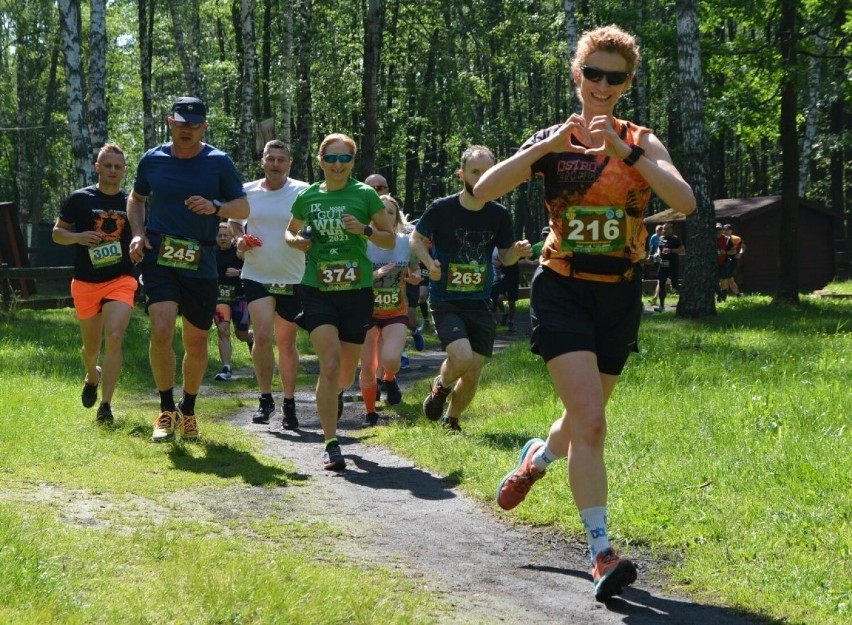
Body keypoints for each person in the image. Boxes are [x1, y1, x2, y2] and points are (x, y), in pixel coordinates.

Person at [474, 25, 695, 601]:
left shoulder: (641, 139)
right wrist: (544, 148)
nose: (601, 84)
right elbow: (483, 192)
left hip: (618, 291)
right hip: (562, 288)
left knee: (580, 421)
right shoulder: (551, 138)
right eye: (591, 73)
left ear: (626, 84)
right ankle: (601, 551)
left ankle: (539, 458)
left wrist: (627, 152)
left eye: (613, 77)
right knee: (593, 422)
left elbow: (684, 201)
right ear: (578, 76)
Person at [128, 96, 249, 442]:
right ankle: (166, 411)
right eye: (181, 123)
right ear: (170, 122)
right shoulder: (152, 159)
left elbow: (241, 205)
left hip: (202, 259)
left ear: (204, 127)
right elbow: (136, 198)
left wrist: (215, 207)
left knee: (196, 342)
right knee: (162, 330)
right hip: (160, 255)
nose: (187, 130)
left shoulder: (218, 162)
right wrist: (137, 235)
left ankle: (189, 409)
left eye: (195, 125)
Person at [284, 133, 395, 470]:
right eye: (330, 159)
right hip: (316, 288)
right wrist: (298, 243)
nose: (337, 165)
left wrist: (363, 230)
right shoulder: (307, 197)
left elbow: (389, 240)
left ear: (352, 162)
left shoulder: (364, 195)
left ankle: (335, 395)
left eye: (344, 159)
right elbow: (290, 233)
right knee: (329, 364)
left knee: (344, 374)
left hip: (355, 291)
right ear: (320, 161)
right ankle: (332, 443)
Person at [411, 145, 531, 432]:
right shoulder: (443, 208)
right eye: (475, 172)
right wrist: (429, 263)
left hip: (480, 301)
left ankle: (451, 420)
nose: (482, 177)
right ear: (462, 174)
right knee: (462, 357)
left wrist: (518, 252)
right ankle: (440, 387)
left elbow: (505, 257)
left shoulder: (499, 214)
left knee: (474, 370)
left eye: (488, 171)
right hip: (446, 299)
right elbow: (416, 237)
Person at [52, 143, 136, 425]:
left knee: (114, 336)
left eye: (118, 166)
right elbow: (57, 234)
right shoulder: (80, 199)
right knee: (91, 349)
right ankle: (92, 375)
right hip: (86, 281)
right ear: (97, 167)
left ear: (124, 170)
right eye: (107, 165)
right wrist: (77, 237)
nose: (113, 171)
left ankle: (106, 405)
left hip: (121, 279)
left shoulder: (132, 203)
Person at [229, 139, 309, 430]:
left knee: (286, 342)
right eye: (270, 158)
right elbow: (235, 222)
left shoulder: (303, 191)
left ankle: (289, 403)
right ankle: (265, 399)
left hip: (292, 276)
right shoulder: (247, 192)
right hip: (256, 274)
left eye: (281, 159)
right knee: (261, 336)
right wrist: (239, 238)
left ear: (289, 163)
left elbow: (312, 224)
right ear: (262, 161)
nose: (275, 164)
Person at [358, 194, 421, 426]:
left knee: (391, 359)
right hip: (366, 312)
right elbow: (352, 275)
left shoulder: (406, 243)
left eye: (390, 213)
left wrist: (414, 277)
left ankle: (389, 377)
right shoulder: (361, 243)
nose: (384, 216)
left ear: (396, 219)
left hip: (395, 312)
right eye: (379, 212)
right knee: (368, 366)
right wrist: (375, 275)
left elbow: (415, 269)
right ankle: (370, 412)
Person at [366, 173, 426, 354]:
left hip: (398, 294)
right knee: (371, 356)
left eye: (382, 187)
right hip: (366, 305)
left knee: (409, 317)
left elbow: (415, 265)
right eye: (373, 188)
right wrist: (375, 274)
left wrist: (416, 275)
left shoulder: (406, 236)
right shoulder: (359, 231)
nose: (378, 190)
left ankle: (403, 348)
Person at [213, 222, 252, 381]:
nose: (222, 238)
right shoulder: (211, 253)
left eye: (226, 235)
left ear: (231, 237)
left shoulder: (239, 252)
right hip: (220, 298)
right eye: (220, 235)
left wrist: (239, 272)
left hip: (240, 298)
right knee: (223, 330)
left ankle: (251, 339)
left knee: (241, 334)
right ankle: (226, 368)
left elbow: (255, 269)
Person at [655, 222, 684, 312]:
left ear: (671, 229)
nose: (665, 230)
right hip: (663, 263)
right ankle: (662, 306)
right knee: (661, 282)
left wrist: (671, 250)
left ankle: (685, 299)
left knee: (675, 284)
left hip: (673, 264)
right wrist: (659, 253)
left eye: (667, 229)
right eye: (664, 229)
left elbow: (682, 250)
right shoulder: (661, 238)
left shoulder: (675, 239)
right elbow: (660, 249)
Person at [724, 224, 746, 295]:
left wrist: (740, 253)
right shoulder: (720, 238)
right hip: (721, 260)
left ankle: (725, 295)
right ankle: (737, 294)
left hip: (731, 260)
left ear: (731, 231)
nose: (726, 231)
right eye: (724, 229)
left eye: (728, 230)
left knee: (729, 278)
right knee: (727, 278)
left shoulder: (735, 239)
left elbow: (743, 247)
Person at [715, 223, 734, 302]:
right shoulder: (709, 239)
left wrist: (725, 252)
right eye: (716, 230)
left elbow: (734, 251)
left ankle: (723, 297)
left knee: (724, 280)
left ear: (722, 230)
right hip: (713, 264)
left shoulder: (727, 239)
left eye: (719, 229)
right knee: (712, 281)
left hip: (724, 262)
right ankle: (720, 294)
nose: (718, 231)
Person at [646, 224, 663, 307]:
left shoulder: (664, 238)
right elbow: (651, 247)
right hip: (658, 259)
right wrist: (649, 255)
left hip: (665, 260)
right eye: (656, 231)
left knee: (662, 279)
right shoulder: (654, 237)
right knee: (661, 279)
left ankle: (673, 286)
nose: (657, 232)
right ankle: (655, 298)